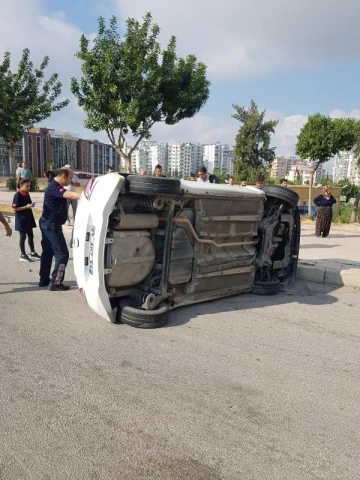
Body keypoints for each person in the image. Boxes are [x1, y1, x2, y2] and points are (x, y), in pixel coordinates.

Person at [38, 167, 80, 290]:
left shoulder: (54, 185)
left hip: (47, 224)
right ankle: (55, 282)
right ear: (64, 177)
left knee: (47, 252)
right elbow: (69, 194)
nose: (72, 180)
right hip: (51, 225)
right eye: (71, 177)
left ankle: (44, 279)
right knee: (62, 255)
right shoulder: (54, 187)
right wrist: (86, 196)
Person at [12, 179, 41, 262]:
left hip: (28, 218)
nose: (28, 187)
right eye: (26, 186)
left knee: (31, 235)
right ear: (21, 185)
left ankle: (32, 253)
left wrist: (31, 205)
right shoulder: (17, 195)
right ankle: (23, 254)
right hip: (21, 219)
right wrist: (26, 207)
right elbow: (14, 208)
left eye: (29, 185)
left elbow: (28, 204)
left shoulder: (27, 193)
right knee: (23, 237)